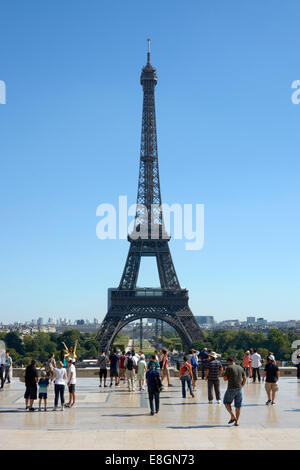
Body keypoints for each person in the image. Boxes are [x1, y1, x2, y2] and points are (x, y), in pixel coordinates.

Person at [223, 357, 246, 426]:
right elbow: (244, 378)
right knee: (238, 406)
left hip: (231, 388)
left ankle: (232, 416)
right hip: (239, 388)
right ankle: (237, 421)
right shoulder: (240, 367)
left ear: (229, 361)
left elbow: (225, 378)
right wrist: (242, 385)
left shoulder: (229, 368)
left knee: (226, 402)